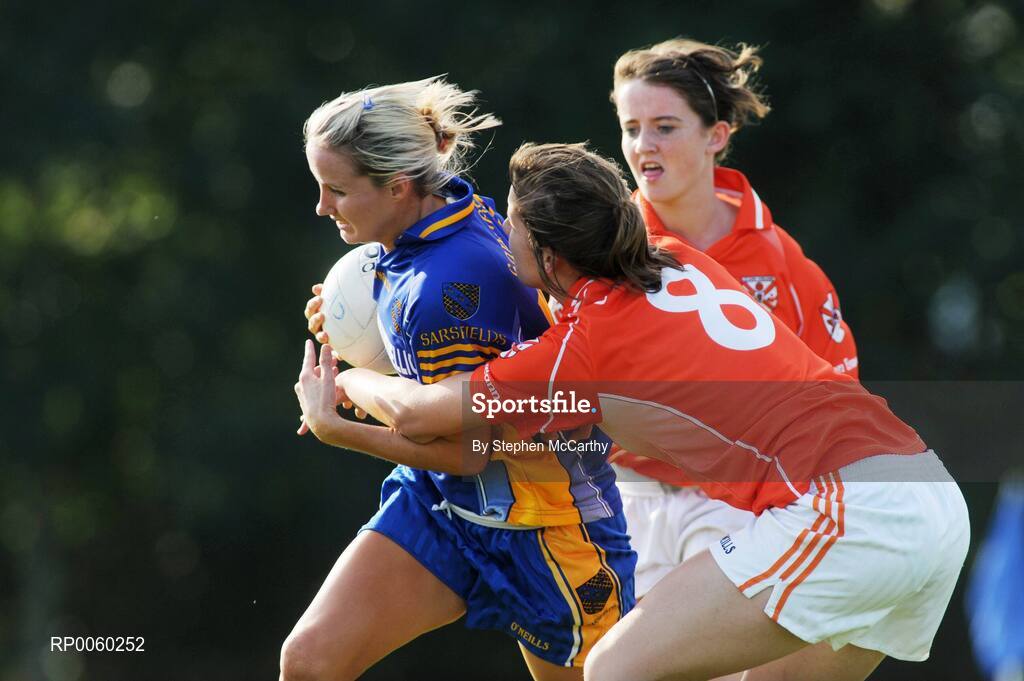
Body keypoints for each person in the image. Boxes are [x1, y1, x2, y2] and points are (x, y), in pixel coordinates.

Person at [305, 142, 970, 681]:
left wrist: (349, 381)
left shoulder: (584, 349)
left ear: (552, 253)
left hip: (846, 507)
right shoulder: (680, 258)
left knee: (615, 668)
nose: (498, 231)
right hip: (930, 493)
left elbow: (422, 414)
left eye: (510, 222)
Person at [284, 79, 634, 681]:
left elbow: (468, 450)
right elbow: (434, 384)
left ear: (396, 186)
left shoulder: (449, 288)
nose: (322, 206)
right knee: (310, 662)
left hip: (547, 529)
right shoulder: (440, 220)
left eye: (336, 189)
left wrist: (336, 420)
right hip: (442, 504)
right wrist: (353, 321)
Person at [607, 38, 860, 609]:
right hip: (622, 501)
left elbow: (839, 401)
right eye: (631, 127)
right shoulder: (599, 250)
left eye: (665, 127)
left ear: (716, 136)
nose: (643, 146)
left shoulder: (781, 264)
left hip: (735, 506)